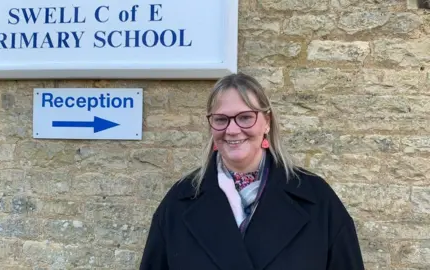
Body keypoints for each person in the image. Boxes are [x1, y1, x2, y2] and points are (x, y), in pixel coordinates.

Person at [139, 72, 365, 270]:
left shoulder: (316, 198)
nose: (233, 129)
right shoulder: (179, 202)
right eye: (221, 119)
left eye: (245, 117)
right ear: (211, 126)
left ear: (267, 122)